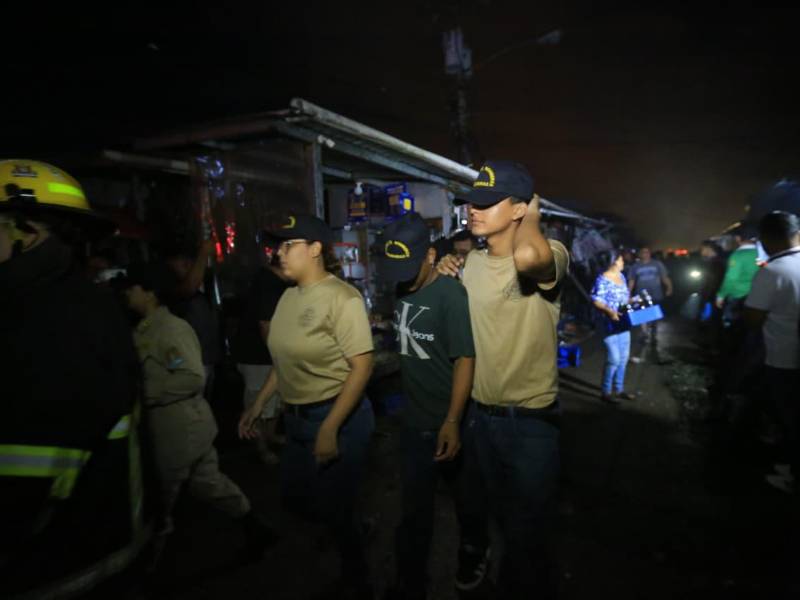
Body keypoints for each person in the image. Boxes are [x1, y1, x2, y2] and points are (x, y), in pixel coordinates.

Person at [0, 160, 145, 597]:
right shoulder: (63, 305)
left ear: (27, 233)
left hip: (55, 565)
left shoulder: (52, 320)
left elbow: (27, 481)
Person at [438, 160, 569, 599]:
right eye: (472, 201)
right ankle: (480, 558)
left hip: (530, 422)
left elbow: (529, 257)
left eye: (488, 202)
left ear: (518, 210)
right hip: (477, 416)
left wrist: (532, 214)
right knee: (474, 507)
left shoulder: (551, 254)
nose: (474, 210)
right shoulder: (469, 263)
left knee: (527, 531)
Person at [239, 214, 375, 598]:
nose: (278, 252)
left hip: (338, 417)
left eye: (288, 244)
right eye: (277, 245)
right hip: (297, 419)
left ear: (315, 249)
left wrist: (330, 428)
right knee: (293, 497)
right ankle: (345, 523)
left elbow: (362, 367)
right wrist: (259, 406)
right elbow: (282, 363)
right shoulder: (287, 297)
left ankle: (358, 580)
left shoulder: (341, 298)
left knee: (335, 506)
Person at [120, 262, 275, 564]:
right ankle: (255, 527)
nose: (128, 295)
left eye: (133, 289)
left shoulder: (170, 330)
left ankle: (146, 567)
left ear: (150, 293)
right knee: (209, 483)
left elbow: (191, 377)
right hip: (184, 425)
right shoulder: (147, 328)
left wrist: (144, 393)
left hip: (177, 427)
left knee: (158, 501)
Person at [379, 213, 488, 599]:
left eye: (409, 266)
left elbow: (465, 358)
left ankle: (474, 553)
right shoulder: (402, 288)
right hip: (414, 422)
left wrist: (453, 421)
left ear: (429, 255)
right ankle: (411, 584)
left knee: (468, 502)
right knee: (413, 513)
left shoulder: (450, 294)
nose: (403, 277)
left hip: (451, 420)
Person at [744, 211, 800, 494]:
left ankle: (790, 473)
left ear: (767, 238)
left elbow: (753, 319)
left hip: (784, 357)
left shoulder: (773, 271)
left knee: (788, 414)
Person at [233, 251, 290, 465]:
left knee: (274, 403)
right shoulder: (269, 284)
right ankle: (261, 447)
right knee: (257, 402)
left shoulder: (273, 281)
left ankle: (270, 436)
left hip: (265, 355)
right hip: (256, 355)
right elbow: (265, 325)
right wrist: (278, 354)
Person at [165, 243, 220, 398]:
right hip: (190, 364)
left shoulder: (198, 294)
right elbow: (190, 286)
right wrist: (203, 254)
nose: (189, 266)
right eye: (183, 264)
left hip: (207, 359)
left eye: (189, 262)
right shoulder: (174, 292)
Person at [591, 251, 635, 403]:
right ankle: (606, 392)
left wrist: (634, 301)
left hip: (623, 321)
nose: (623, 263)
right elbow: (596, 301)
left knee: (624, 358)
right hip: (608, 323)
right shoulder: (602, 279)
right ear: (613, 262)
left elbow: (625, 298)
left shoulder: (622, 277)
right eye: (621, 261)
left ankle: (619, 389)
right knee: (614, 359)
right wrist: (609, 311)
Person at [628, 247, 673, 344]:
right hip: (641, 293)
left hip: (656, 293)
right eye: (643, 252)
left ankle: (653, 333)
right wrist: (629, 293)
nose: (645, 254)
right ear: (640, 254)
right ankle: (644, 333)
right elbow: (632, 280)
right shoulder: (635, 266)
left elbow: (664, 277)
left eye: (647, 252)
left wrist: (669, 287)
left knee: (654, 314)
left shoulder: (657, 264)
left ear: (650, 253)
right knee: (642, 313)